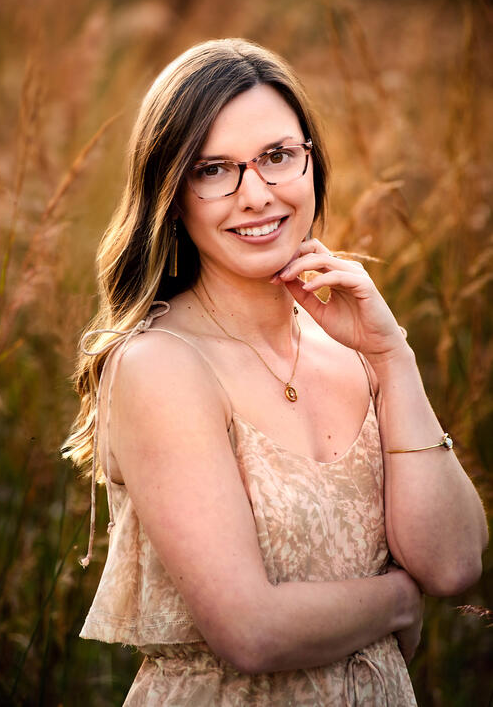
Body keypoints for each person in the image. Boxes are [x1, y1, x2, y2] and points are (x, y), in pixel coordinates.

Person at [63, 39, 487, 706]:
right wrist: (399, 602)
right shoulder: (161, 366)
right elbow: (249, 631)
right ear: (173, 196)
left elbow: (455, 563)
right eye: (214, 170)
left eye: (277, 157)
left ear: (312, 160)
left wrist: (391, 358)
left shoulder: (351, 344)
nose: (256, 195)